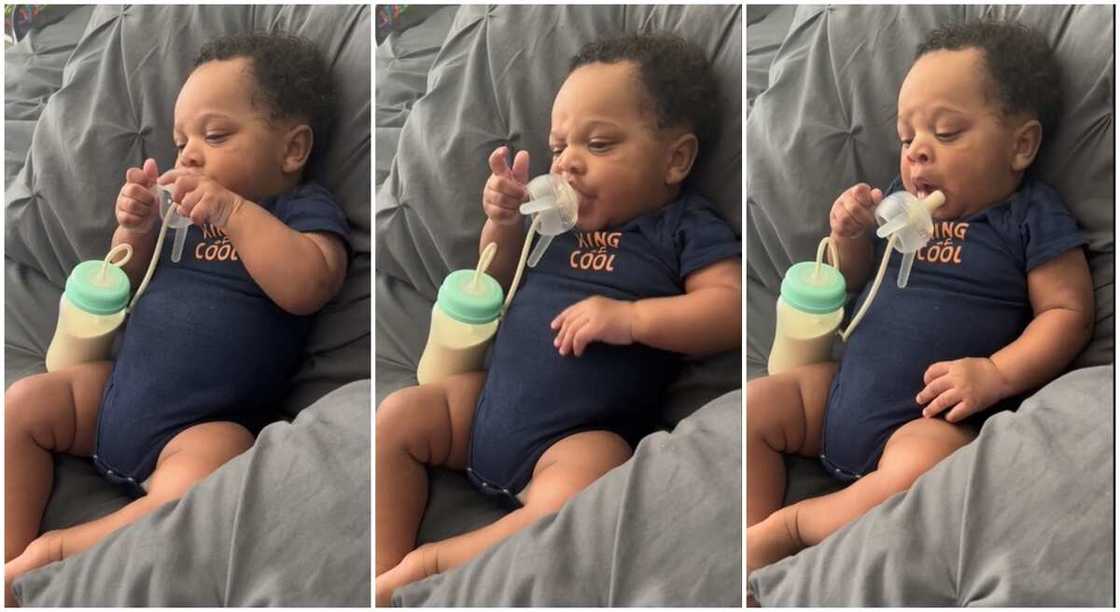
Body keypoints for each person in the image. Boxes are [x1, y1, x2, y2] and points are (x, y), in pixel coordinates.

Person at [376, 33, 741, 604]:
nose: (568, 162)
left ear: (676, 159)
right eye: (558, 147)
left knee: (593, 482)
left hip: (575, 439)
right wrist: (501, 224)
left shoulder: (682, 227)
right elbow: (490, 285)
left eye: (598, 144)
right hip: (482, 408)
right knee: (397, 416)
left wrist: (632, 318)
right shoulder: (550, 227)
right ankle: (379, 564)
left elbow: (728, 308)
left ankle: (435, 565)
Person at [4, 31, 351, 604]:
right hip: (115, 393)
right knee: (22, 405)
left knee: (212, 474)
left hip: (199, 428)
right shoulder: (180, 219)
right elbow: (129, 277)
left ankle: (56, 554)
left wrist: (233, 211)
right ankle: (9, 547)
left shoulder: (296, 209)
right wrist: (135, 232)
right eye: (181, 140)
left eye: (214, 136)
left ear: (292, 150)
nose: (188, 154)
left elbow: (309, 284)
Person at [746, 19, 1094, 576]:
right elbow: (857, 280)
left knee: (925, 466)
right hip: (840, 391)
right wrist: (850, 236)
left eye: (947, 133)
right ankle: (749, 536)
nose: (917, 155)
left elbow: (1067, 313)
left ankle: (790, 529)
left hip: (925, 418)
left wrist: (995, 373)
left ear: (1021, 146)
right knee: (756, 407)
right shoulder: (900, 209)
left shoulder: (1029, 215)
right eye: (907, 139)